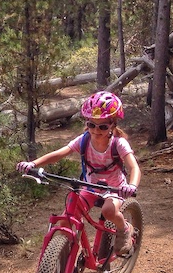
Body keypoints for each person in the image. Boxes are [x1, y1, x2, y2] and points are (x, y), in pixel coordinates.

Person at [16, 91, 142, 255]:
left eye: (103, 126)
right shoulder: (83, 140)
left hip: (114, 188)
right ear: (87, 123)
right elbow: (60, 153)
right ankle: (62, 254)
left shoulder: (119, 144)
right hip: (89, 187)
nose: (96, 130)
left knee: (108, 211)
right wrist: (33, 163)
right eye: (91, 125)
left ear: (112, 125)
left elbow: (134, 167)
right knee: (68, 217)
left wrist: (132, 185)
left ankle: (124, 228)